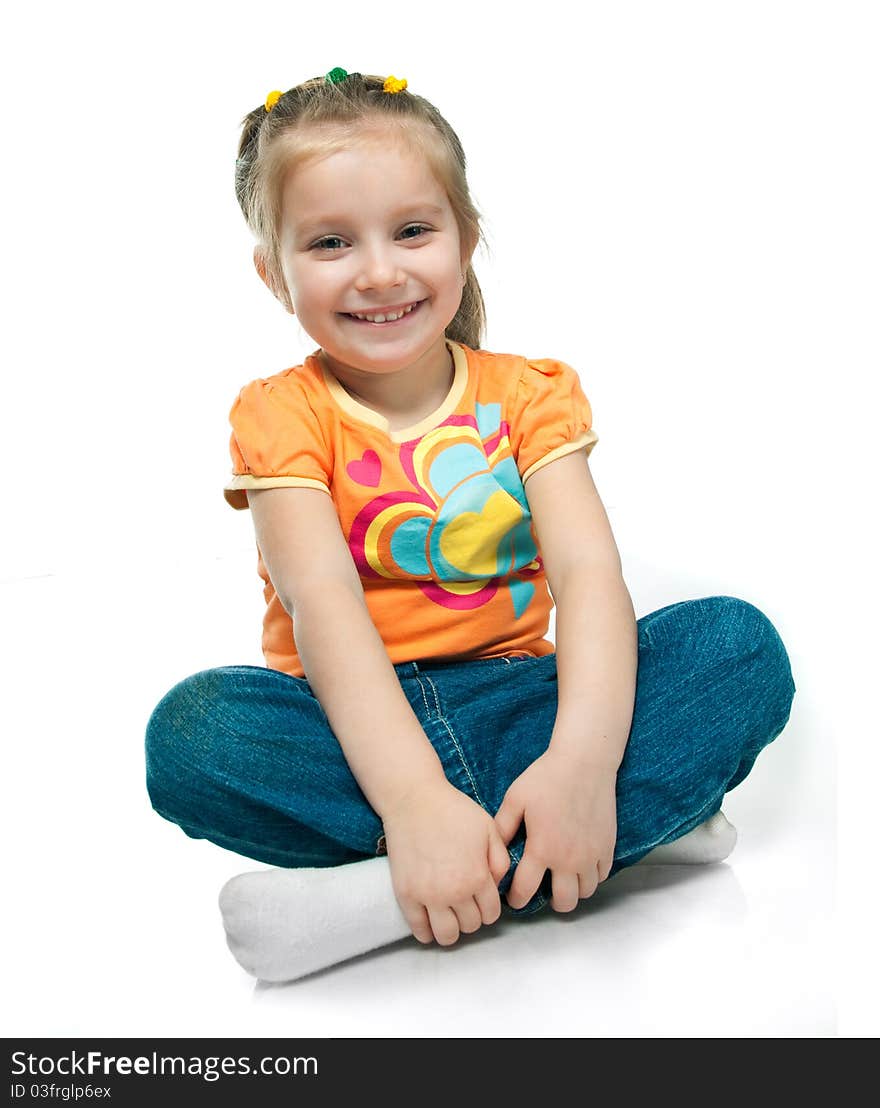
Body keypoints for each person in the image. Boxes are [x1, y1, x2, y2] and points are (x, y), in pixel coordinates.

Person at [144, 68, 796, 983]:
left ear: (466, 237)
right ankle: (612, 841)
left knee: (736, 644)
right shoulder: (280, 415)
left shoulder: (528, 395)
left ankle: (396, 896)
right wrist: (412, 800)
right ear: (273, 271)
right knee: (195, 733)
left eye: (413, 230)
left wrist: (578, 761)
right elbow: (323, 603)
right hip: (350, 719)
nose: (379, 271)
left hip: (524, 704)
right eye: (330, 242)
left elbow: (589, 578)